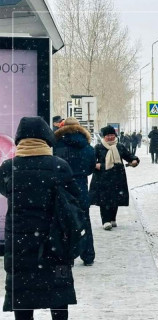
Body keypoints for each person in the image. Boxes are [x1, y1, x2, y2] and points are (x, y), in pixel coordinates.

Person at [0, 116, 78, 319]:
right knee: (58, 295)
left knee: (23, 298)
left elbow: (5, 191)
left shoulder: (8, 168)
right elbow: (74, 199)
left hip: (19, 244)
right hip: (54, 241)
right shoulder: (59, 166)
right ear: (47, 138)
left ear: (19, 139)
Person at [53, 117, 96, 266]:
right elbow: (91, 169)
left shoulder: (55, 145)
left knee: (63, 223)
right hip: (81, 187)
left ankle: (67, 256)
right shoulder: (88, 147)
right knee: (84, 221)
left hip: (61, 188)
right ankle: (88, 255)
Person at [89, 125, 140, 230]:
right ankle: (105, 221)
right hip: (102, 177)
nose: (110, 137)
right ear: (104, 137)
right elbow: (91, 161)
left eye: (112, 135)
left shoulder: (120, 146)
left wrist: (134, 161)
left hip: (117, 176)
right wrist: (96, 165)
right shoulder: (98, 147)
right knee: (104, 200)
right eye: (108, 135)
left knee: (114, 198)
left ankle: (112, 219)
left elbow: (129, 156)